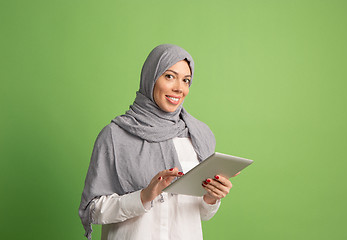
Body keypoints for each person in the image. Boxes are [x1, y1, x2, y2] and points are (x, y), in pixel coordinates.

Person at [79, 44, 234, 240]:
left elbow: (200, 213)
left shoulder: (197, 136)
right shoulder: (115, 135)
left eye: (186, 80)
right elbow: (94, 209)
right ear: (150, 78)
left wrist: (211, 198)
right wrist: (143, 196)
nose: (179, 88)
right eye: (169, 76)